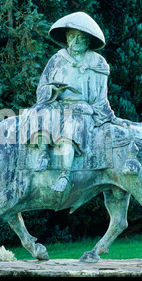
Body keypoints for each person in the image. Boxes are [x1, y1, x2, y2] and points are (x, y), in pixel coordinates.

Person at [23, 12, 127, 193]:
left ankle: (65, 173)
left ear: (88, 41)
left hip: (80, 109)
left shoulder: (98, 63)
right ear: (66, 37)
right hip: (56, 104)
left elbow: (101, 98)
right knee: (36, 112)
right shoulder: (57, 59)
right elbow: (42, 88)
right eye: (71, 36)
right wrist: (53, 90)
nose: (75, 41)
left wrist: (109, 116)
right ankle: (43, 154)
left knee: (70, 127)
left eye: (80, 37)